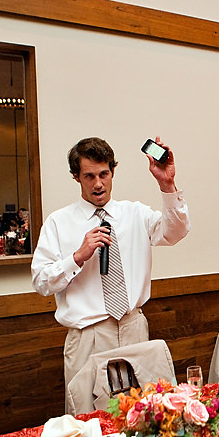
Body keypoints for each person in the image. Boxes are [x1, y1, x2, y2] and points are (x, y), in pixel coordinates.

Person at [31, 136, 190, 412]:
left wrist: (167, 184)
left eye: (104, 174)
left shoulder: (135, 214)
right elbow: (42, 282)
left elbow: (175, 232)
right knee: (89, 421)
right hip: (88, 336)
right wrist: (77, 257)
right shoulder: (59, 222)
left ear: (112, 172)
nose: (98, 184)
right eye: (89, 176)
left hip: (133, 327)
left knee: (145, 415)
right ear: (76, 177)